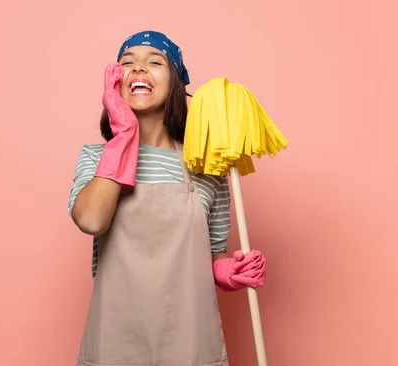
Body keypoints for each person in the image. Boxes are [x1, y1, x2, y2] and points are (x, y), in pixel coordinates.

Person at [67, 30, 267, 366]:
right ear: (115, 84)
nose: (139, 68)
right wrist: (125, 136)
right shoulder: (95, 158)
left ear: (175, 81)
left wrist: (230, 271)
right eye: (127, 63)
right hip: (116, 342)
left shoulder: (207, 169)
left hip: (190, 343)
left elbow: (213, 256)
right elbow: (91, 219)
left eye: (154, 62)